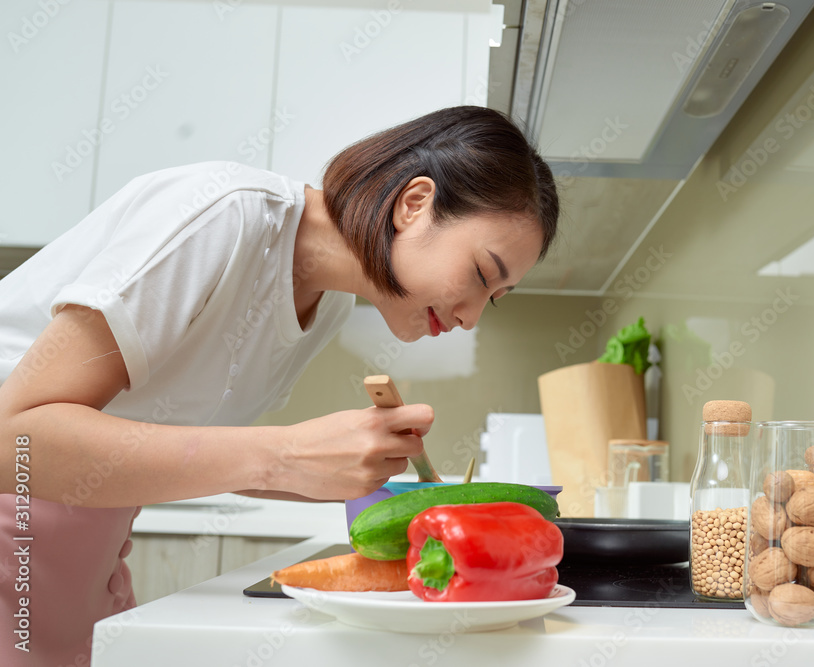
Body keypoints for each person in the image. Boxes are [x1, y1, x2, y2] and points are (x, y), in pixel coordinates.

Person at [0, 105, 559, 666]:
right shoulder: (225, 216)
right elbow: (13, 439)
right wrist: (285, 453)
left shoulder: (330, 304)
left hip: (83, 550)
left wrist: (332, 469)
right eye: (482, 275)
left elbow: (188, 446)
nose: (471, 317)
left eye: (494, 298)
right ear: (415, 205)